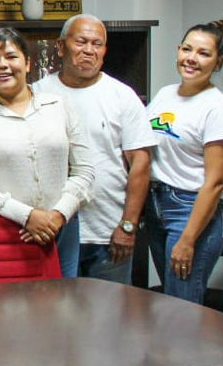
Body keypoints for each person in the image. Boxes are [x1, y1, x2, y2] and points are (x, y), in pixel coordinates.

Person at [144, 19, 223, 366]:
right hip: (160, 204)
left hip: (193, 211)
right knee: (179, 307)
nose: (191, 59)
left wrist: (186, 238)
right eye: (186, 49)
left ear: (217, 62)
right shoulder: (165, 94)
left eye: (203, 53)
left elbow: (215, 184)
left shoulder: (216, 107)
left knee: (178, 315)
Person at [0, 28, 93, 276]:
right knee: (17, 307)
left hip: (64, 226)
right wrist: (26, 215)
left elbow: (84, 171)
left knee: (65, 304)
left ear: (28, 63)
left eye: (11, 56)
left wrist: (58, 215)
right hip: (11, 229)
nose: (3, 65)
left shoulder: (59, 106)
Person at [33, 14, 156, 283]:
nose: (89, 50)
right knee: (56, 316)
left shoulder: (122, 96)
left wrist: (128, 225)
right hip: (54, 230)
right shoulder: (37, 94)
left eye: (97, 44)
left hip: (108, 232)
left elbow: (140, 165)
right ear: (61, 46)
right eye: (81, 42)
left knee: (108, 318)